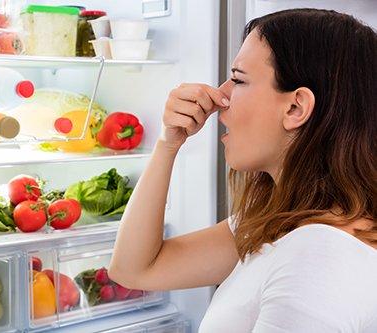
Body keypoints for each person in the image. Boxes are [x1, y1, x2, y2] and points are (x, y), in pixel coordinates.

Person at [108, 8, 377, 332]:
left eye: (238, 79)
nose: (220, 98)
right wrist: (168, 145)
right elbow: (135, 269)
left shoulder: (318, 255)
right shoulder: (280, 223)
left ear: (295, 108)